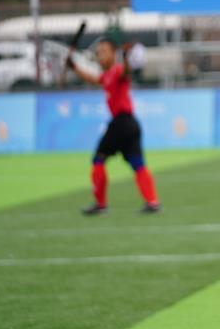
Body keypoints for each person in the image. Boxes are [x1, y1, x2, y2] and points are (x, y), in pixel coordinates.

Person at [67, 38, 161, 215]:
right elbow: (93, 79)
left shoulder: (117, 70)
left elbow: (126, 72)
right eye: (98, 53)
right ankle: (152, 201)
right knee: (137, 163)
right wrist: (75, 68)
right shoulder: (107, 75)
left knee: (98, 159)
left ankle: (101, 204)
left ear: (113, 53)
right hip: (130, 124)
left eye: (103, 52)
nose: (100, 56)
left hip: (122, 123)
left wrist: (125, 57)